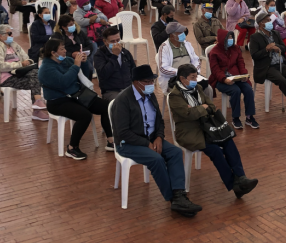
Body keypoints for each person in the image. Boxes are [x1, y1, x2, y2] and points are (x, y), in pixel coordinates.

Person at [110, 64, 202, 216]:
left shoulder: (150, 95)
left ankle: (179, 193)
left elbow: (159, 120)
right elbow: (123, 132)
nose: (151, 85)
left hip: (152, 138)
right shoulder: (123, 101)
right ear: (136, 82)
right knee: (156, 159)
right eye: (147, 82)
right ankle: (172, 199)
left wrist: (159, 137)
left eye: (152, 81)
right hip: (129, 144)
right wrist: (147, 143)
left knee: (175, 152)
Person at [170, 63, 259, 198]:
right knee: (215, 150)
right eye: (192, 77)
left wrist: (199, 108)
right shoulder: (175, 95)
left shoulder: (198, 88)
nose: (195, 80)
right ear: (183, 79)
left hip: (207, 127)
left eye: (196, 77)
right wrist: (202, 108)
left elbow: (211, 106)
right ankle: (233, 184)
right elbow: (188, 115)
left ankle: (241, 177)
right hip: (189, 132)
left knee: (228, 141)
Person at [39, 38, 114, 158]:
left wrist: (83, 63)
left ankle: (111, 141)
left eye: (64, 48)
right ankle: (72, 148)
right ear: (53, 53)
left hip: (76, 95)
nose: (65, 51)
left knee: (106, 106)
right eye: (62, 49)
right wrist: (76, 65)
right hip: (58, 102)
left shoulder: (67, 61)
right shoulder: (46, 69)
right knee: (84, 115)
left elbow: (83, 75)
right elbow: (64, 82)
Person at [249, 11, 286, 121]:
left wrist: (277, 47)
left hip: (280, 64)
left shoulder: (275, 33)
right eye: (267, 21)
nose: (269, 22)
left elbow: (284, 47)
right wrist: (267, 49)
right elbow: (254, 55)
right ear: (261, 23)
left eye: (269, 20)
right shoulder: (255, 37)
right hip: (267, 67)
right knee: (282, 80)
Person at [0, 24, 48, 121]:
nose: (12, 36)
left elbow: (27, 59)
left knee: (36, 75)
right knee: (36, 78)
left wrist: (28, 62)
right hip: (5, 78)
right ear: (0, 36)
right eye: (9, 33)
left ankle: (37, 103)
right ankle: (37, 108)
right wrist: (19, 64)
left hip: (19, 74)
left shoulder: (14, 45)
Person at [207, 30, 258, 129]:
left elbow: (240, 63)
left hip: (237, 77)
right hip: (221, 79)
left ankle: (249, 116)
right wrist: (224, 79)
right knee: (236, 91)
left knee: (248, 89)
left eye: (231, 37)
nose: (230, 40)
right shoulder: (214, 52)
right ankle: (236, 118)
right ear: (223, 39)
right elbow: (215, 70)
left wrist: (244, 74)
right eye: (228, 38)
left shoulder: (235, 49)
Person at [157, 22, 212, 98]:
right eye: (180, 32)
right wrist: (182, 73)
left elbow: (196, 60)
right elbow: (163, 68)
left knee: (208, 88)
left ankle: (208, 109)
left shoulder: (187, 44)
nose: (183, 34)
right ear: (172, 35)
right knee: (189, 92)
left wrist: (193, 71)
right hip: (175, 78)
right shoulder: (164, 48)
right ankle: (194, 109)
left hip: (191, 75)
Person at [94, 26, 136, 101]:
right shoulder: (99, 55)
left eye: (118, 40)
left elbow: (134, 71)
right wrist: (114, 56)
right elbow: (103, 73)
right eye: (112, 41)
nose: (116, 43)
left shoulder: (125, 52)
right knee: (123, 103)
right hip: (111, 91)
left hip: (128, 88)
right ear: (105, 41)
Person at [52, 14, 95, 79]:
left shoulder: (78, 32)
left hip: (82, 56)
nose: (73, 26)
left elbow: (89, 44)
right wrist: (71, 54)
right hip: (67, 59)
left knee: (89, 69)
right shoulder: (57, 36)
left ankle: (87, 85)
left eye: (73, 24)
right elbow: (57, 51)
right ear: (63, 27)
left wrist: (83, 52)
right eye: (70, 25)